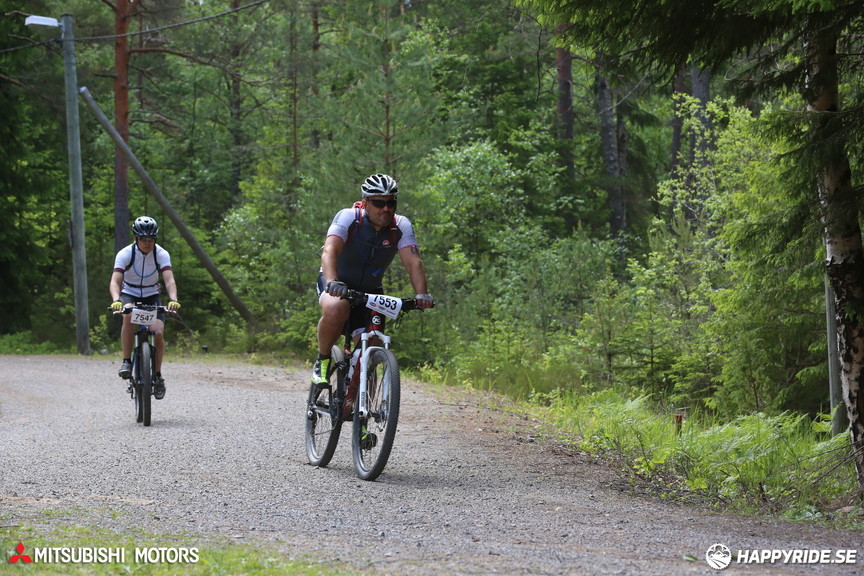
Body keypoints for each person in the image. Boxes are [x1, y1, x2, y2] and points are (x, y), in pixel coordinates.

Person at [312, 173, 434, 387]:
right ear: (366, 202)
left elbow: (413, 261)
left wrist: (421, 294)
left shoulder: (401, 226)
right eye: (379, 203)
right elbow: (329, 251)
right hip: (336, 282)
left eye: (391, 203)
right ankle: (322, 361)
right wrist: (333, 281)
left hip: (370, 290)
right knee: (337, 308)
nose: (386, 209)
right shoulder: (349, 217)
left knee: (372, 347)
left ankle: (364, 412)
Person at [109, 216, 180, 399]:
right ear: (136, 239)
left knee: (157, 333)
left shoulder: (161, 254)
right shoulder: (125, 253)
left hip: (151, 295)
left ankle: (157, 376)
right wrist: (117, 299)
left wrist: (173, 299)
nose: (147, 243)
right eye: (143, 239)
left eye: (151, 239)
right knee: (128, 315)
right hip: (130, 293)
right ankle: (126, 361)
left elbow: (169, 280)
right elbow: (115, 281)